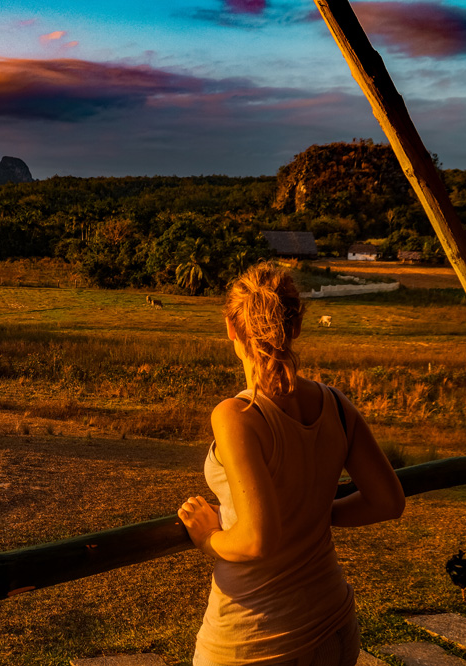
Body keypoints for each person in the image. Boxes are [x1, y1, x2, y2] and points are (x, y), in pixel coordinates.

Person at [178, 263, 405, 666]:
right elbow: (388, 501)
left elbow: (255, 540)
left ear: (230, 328)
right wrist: (318, 512)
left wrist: (207, 537)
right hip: (333, 622)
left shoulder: (237, 415)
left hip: (257, 640)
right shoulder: (335, 404)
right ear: (296, 325)